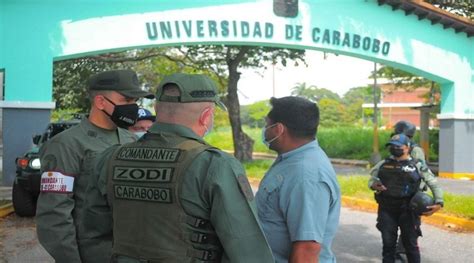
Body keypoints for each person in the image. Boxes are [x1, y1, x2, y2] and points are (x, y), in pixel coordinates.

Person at [86, 73, 274, 262]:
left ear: (157, 109)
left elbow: (92, 235)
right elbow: (248, 250)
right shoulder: (214, 165)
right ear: (206, 116)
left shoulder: (109, 159)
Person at [36, 69, 154, 263]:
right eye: (126, 101)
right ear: (100, 102)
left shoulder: (131, 140)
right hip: (92, 253)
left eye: (135, 101)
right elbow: (54, 216)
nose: (133, 107)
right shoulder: (66, 145)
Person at [255, 96, 341, 263]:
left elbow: (307, 251)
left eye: (267, 125)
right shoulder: (291, 160)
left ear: (279, 129)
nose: (265, 130)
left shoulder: (306, 176)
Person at [369, 134, 444, 263]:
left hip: (408, 210)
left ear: (407, 147)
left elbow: (433, 183)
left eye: (398, 146)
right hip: (386, 209)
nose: (395, 148)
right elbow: (371, 180)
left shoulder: (417, 165)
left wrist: (439, 202)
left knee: (410, 246)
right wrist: (374, 185)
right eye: (392, 146)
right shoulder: (383, 164)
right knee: (388, 246)